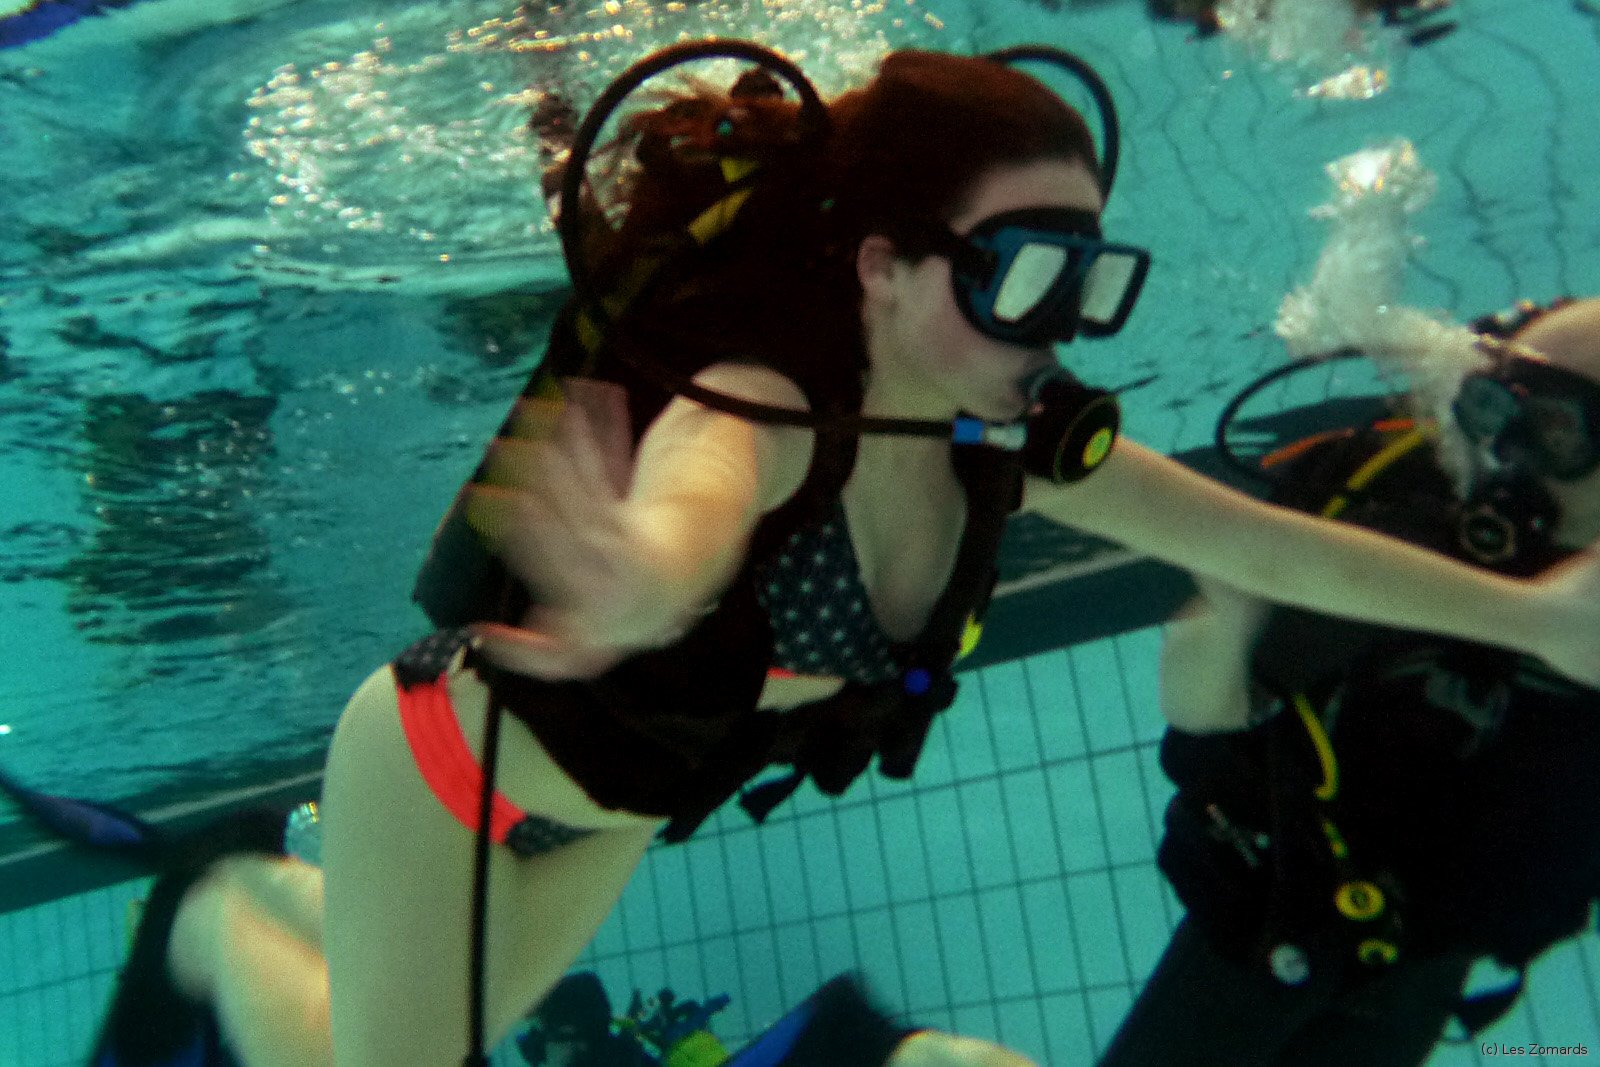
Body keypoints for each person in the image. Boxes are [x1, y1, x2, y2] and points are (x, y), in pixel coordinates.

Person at [83, 40, 1600, 1067]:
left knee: (423, 1022)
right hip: (446, 766)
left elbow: (1273, 548)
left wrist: (1530, 618)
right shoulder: (764, 405)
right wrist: (647, 577)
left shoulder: (1004, 442)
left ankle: (268, 900)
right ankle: (215, 909)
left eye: (1088, 279)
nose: (1056, 326)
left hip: (622, 801)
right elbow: (691, 503)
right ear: (882, 266)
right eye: (1024, 273)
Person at [1097, 297, 1600, 1065]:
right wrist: (1224, 616)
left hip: (1429, 962)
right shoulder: (1398, 516)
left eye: (1555, 430)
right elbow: (1205, 711)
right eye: (1492, 409)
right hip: (1267, 914)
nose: (1506, 453)